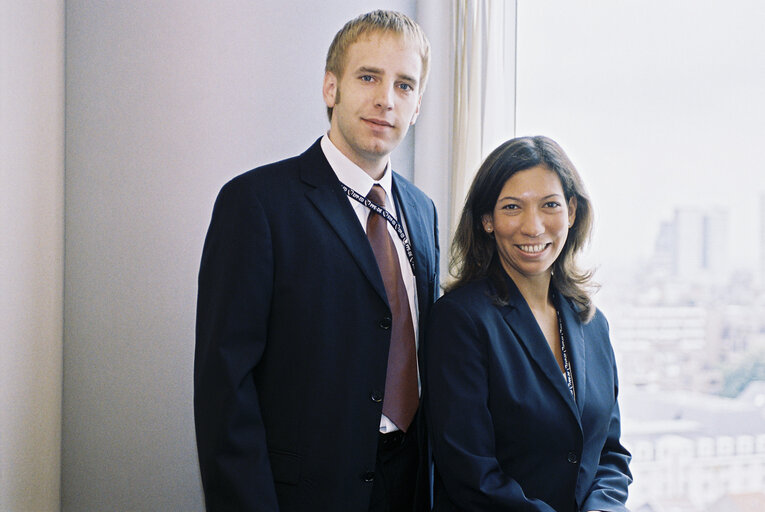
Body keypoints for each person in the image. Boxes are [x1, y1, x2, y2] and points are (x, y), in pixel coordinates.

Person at [193, 10, 439, 512]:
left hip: (410, 489)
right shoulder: (256, 204)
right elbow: (225, 391)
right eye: (368, 77)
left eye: (405, 86)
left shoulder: (423, 211)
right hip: (302, 495)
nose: (385, 100)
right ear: (332, 88)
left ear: (416, 108)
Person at [424, 136, 631, 511]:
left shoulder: (592, 323)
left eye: (550, 205)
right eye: (512, 207)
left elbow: (611, 455)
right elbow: (471, 474)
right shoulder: (459, 320)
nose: (533, 227)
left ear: (571, 211)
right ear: (487, 220)